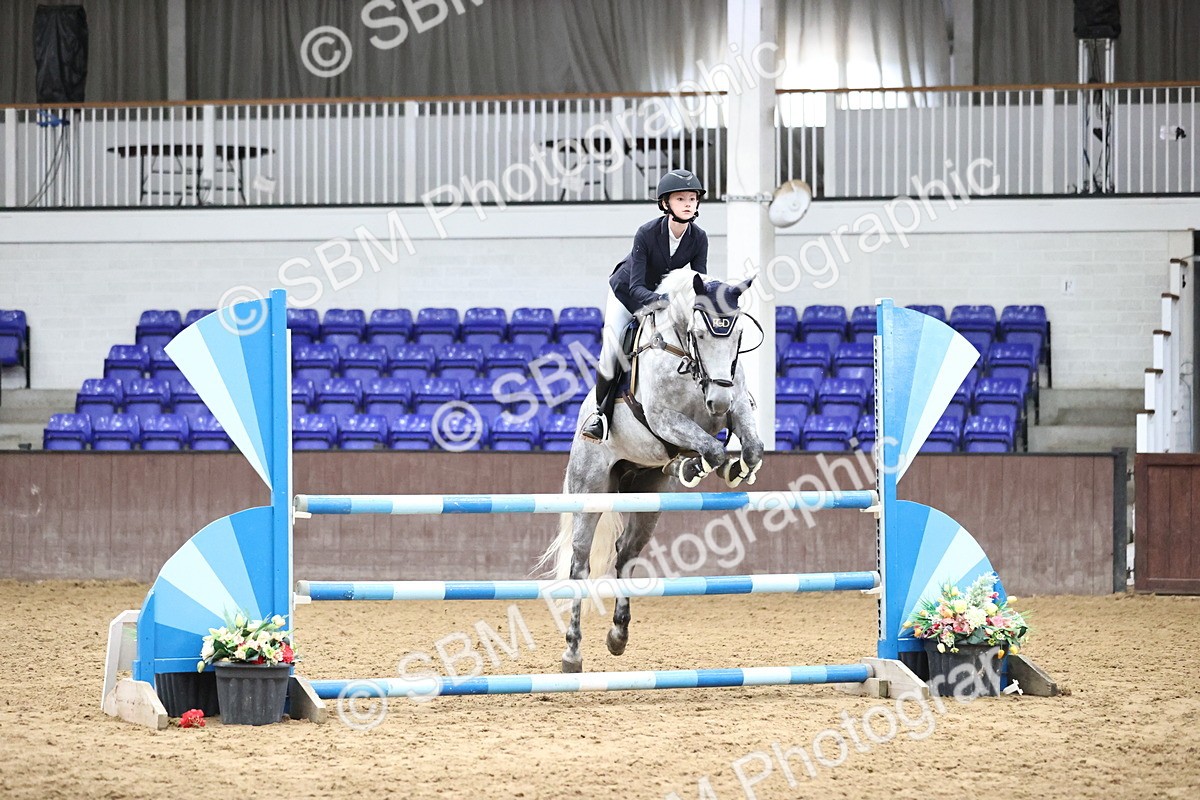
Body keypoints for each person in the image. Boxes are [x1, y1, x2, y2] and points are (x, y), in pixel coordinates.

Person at [581, 168, 709, 441]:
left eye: (692, 199)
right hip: (627, 294)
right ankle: (600, 416)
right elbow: (637, 286)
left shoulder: (699, 238)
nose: (688, 204)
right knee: (613, 349)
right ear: (666, 204)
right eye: (680, 199)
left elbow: (697, 283)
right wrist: (665, 302)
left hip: (662, 300)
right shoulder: (647, 233)